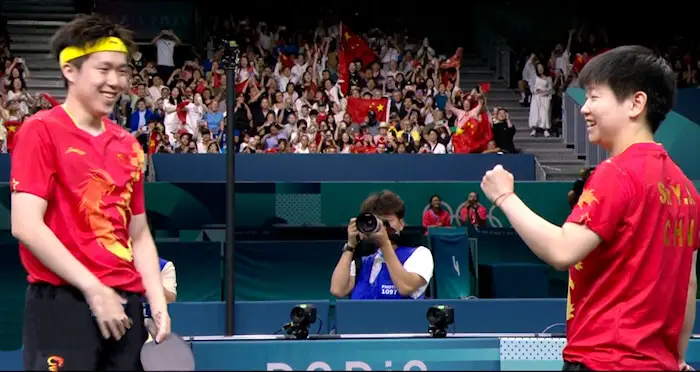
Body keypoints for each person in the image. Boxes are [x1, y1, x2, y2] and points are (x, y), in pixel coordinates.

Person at [480, 46, 699, 371]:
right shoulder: (686, 190)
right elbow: (688, 285)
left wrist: (505, 198)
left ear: (636, 103)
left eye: (595, 97)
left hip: (603, 360)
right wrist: (677, 357)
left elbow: (563, 250)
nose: (584, 108)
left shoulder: (617, 173)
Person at [10, 14, 171, 371]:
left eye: (122, 70)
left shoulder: (128, 145)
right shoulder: (40, 131)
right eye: (104, 69)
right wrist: (94, 289)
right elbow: (25, 225)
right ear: (70, 69)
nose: (116, 81)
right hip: (62, 304)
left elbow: (139, 233)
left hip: (125, 307)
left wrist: (156, 299)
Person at [329, 190, 434, 299]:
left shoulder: (420, 255)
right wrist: (350, 245)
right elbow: (337, 290)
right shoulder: (363, 262)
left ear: (401, 224)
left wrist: (385, 244)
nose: (382, 227)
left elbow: (405, 287)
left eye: (387, 221)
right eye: (376, 221)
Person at [144, 257, 177, 343]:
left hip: (155, 331)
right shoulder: (116, 265)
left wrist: (152, 281)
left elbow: (171, 299)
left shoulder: (164, 266)